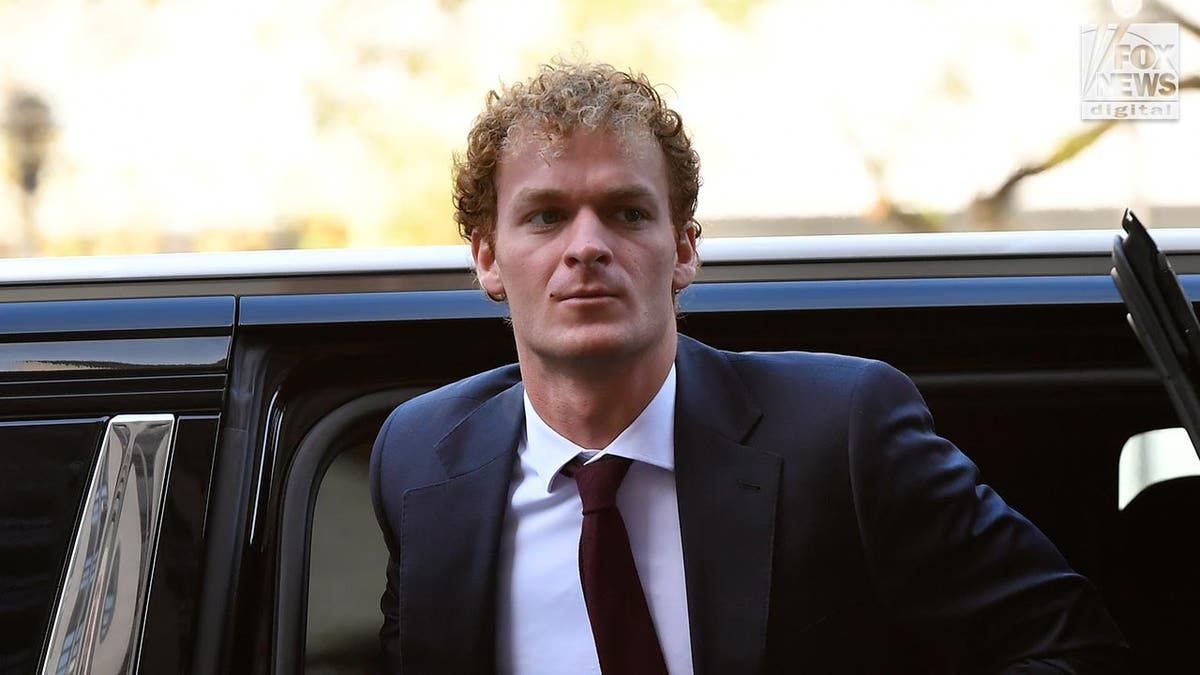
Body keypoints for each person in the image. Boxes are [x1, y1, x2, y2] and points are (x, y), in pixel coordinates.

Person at [369, 61, 1129, 674]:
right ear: (487, 257)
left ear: (686, 250)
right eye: (546, 216)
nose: (587, 246)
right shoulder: (419, 458)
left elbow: (1077, 649)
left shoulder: (842, 431)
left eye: (628, 212)